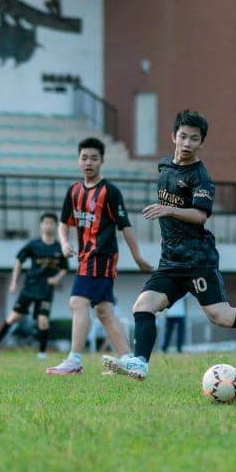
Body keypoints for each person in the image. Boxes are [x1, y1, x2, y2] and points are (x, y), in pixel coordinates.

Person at [103, 111, 236, 380]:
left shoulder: (201, 177)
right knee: (143, 306)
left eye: (194, 139)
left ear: (201, 143)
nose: (187, 143)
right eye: (183, 137)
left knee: (221, 317)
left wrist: (168, 209)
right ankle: (140, 363)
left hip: (198, 259)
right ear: (173, 136)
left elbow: (200, 216)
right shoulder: (164, 166)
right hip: (171, 261)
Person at [46, 137, 153, 375]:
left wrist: (138, 258)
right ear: (78, 160)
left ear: (102, 161)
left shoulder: (110, 192)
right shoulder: (74, 191)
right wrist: (64, 244)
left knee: (77, 302)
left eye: (94, 158)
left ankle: (74, 360)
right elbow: (64, 224)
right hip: (85, 257)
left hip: (101, 257)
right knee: (104, 311)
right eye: (84, 157)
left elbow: (126, 227)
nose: (88, 162)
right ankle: (129, 360)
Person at [0, 213, 68, 360]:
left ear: (55, 226)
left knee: (43, 320)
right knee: (13, 317)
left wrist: (56, 278)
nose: (48, 225)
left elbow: (64, 268)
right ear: (41, 225)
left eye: (51, 223)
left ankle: (42, 353)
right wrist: (13, 282)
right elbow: (18, 260)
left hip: (46, 290)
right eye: (45, 223)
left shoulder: (59, 247)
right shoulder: (33, 245)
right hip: (30, 287)